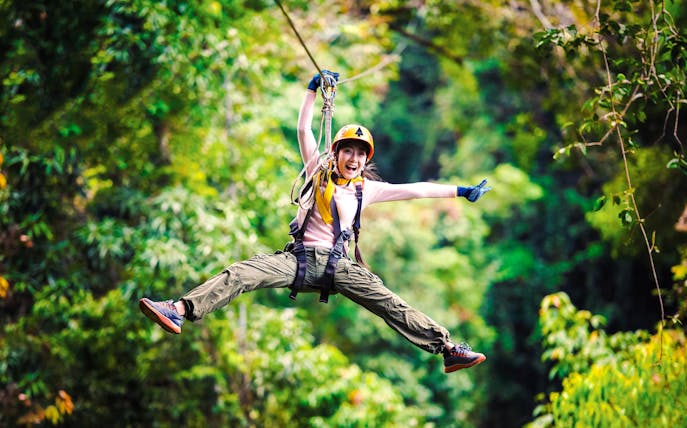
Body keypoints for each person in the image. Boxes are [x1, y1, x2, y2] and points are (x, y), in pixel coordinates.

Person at [139, 70, 492, 373]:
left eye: (359, 153)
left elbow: (415, 190)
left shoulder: (365, 190)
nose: (352, 158)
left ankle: (447, 350)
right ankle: (179, 309)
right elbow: (304, 130)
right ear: (336, 153)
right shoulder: (316, 172)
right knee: (242, 273)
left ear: (364, 159)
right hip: (299, 259)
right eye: (347, 151)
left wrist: (461, 191)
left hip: (340, 266)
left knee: (390, 303)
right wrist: (312, 91)